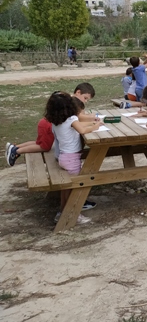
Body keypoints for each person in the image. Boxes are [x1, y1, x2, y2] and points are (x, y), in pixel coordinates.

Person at [45, 93, 103, 224]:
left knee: (67, 188)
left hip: (63, 157)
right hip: (72, 159)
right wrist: (95, 126)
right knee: (75, 187)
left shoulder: (56, 121)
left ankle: (62, 212)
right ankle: (74, 214)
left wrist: (91, 123)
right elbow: (82, 130)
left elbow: (79, 127)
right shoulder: (71, 119)